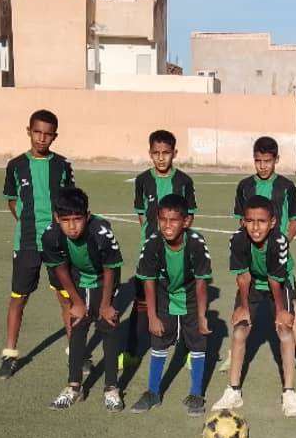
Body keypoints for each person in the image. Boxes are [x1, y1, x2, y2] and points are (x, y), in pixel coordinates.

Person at [220, 136, 296, 376]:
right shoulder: (244, 186)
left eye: (267, 161)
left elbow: (295, 220)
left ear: (276, 160)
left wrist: (281, 244)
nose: (262, 166)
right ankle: (233, 353)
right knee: (242, 301)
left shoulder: (286, 186)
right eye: (258, 161)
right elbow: (241, 221)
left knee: (290, 304)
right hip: (251, 258)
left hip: (278, 259)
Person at [0, 109, 75, 379]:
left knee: (66, 297)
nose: (42, 138)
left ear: (55, 136)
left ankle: (75, 353)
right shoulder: (16, 165)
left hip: (57, 242)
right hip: (27, 242)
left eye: (48, 134)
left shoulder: (62, 165)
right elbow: (11, 200)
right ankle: (9, 354)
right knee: (19, 298)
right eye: (37, 132)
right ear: (28, 131)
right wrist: (27, 221)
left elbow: (70, 202)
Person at [211, 195, 296, 417]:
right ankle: (233, 390)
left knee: (284, 330)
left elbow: (275, 280)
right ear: (243, 221)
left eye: (261, 221)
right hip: (252, 281)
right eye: (250, 221)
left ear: (272, 222)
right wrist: (244, 307)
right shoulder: (238, 239)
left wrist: (280, 311)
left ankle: (289, 392)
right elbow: (243, 277)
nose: (255, 227)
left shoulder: (279, 242)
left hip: (279, 282)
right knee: (240, 330)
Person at [130, 194, 213, 417]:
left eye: (174, 220)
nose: (167, 225)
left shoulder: (196, 243)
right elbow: (148, 281)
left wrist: (202, 316)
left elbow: (201, 282)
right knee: (159, 340)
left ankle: (196, 394)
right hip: (164, 295)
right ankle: (153, 392)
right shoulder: (152, 243)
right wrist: (152, 316)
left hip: (191, 297)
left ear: (186, 221)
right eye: (163, 220)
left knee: (197, 343)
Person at [42, 188, 124, 411]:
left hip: (104, 279)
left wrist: (106, 305)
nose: (72, 226)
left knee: (108, 327)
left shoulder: (101, 232)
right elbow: (60, 268)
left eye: (77, 219)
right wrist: (76, 302)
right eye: (65, 220)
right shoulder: (51, 235)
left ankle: (111, 388)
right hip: (77, 277)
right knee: (77, 326)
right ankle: (74, 387)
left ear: (87, 216)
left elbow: (110, 268)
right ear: (57, 218)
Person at [126, 130, 197, 366]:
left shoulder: (184, 181)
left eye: (166, 153)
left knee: (182, 301)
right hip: (150, 251)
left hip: (177, 252)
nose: (161, 158)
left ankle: (189, 349)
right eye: (156, 153)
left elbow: (189, 216)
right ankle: (131, 350)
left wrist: (176, 240)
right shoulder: (142, 180)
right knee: (141, 303)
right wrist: (152, 239)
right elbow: (142, 215)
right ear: (150, 153)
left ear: (174, 153)